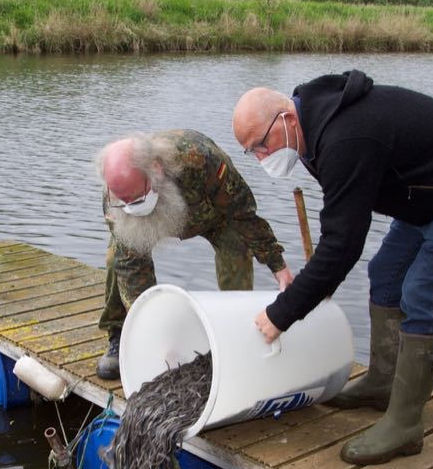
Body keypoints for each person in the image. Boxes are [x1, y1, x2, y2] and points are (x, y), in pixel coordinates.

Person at [232, 70, 433, 466]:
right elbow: (341, 215)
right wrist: (318, 277)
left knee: (422, 292)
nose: (262, 157)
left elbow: (344, 244)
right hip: (426, 192)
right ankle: (384, 383)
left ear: (287, 119)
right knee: (385, 274)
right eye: (252, 152)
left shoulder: (346, 137)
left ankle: (404, 425)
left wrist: (282, 314)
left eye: (262, 144)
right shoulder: (311, 132)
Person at [94, 129, 293, 380]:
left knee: (237, 247)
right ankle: (118, 334)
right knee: (117, 256)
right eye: (123, 201)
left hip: (213, 216)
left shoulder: (201, 160)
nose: (129, 207)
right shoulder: (117, 198)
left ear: (155, 170)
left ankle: (233, 333)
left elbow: (244, 214)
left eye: (136, 198)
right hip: (154, 221)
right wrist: (149, 333)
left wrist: (277, 264)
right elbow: (131, 269)